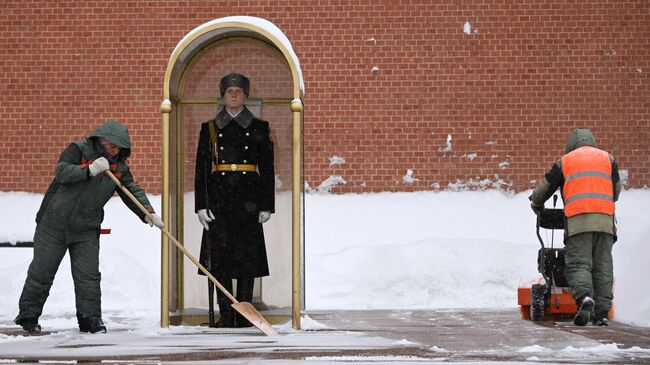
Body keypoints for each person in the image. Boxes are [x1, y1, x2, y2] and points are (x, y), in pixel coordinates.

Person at [14, 119, 164, 334]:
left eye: (119, 148)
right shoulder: (78, 150)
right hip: (53, 224)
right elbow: (62, 172)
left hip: (86, 228)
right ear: (101, 140)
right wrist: (90, 169)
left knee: (89, 277)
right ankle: (28, 316)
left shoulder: (118, 166)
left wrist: (147, 213)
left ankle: (90, 320)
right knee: (42, 272)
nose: (116, 150)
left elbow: (132, 191)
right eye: (113, 146)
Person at [194, 73, 275, 328]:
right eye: (229, 91)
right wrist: (201, 204)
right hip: (219, 196)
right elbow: (201, 168)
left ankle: (245, 313)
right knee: (220, 258)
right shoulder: (210, 127)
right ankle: (226, 313)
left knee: (246, 259)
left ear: (246, 95)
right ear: (223, 95)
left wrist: (266, 204)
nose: (234, 94)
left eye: (239, 91)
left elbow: (268, 169)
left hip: (248, 195)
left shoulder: (259, 127)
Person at [529, 128, 621, 327]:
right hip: (605, 221)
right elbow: (616, 191)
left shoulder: (566, 161)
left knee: (579, 264)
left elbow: (546, 186)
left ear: (571, 144)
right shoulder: (608, 159)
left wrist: (536, 203)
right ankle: (602, 313)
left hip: (578, 221)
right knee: (603, 266)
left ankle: (585, 298)